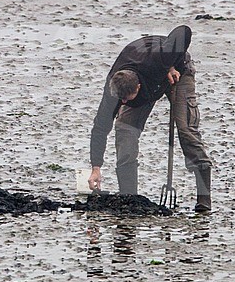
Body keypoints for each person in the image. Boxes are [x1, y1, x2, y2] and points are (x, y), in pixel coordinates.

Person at [88, 25, 213, 211]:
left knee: (186, 130)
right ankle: (129, 196)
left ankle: (204, 198)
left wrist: (169, 65)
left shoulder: (158, 59)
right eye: (120, 100)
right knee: (124, 130)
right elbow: (100, 126)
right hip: (151, 76)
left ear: (137, 87)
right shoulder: (113, 91)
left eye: (126, 99)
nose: (122, 102)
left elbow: (183, 31)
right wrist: (96, 167)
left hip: (178, 72)